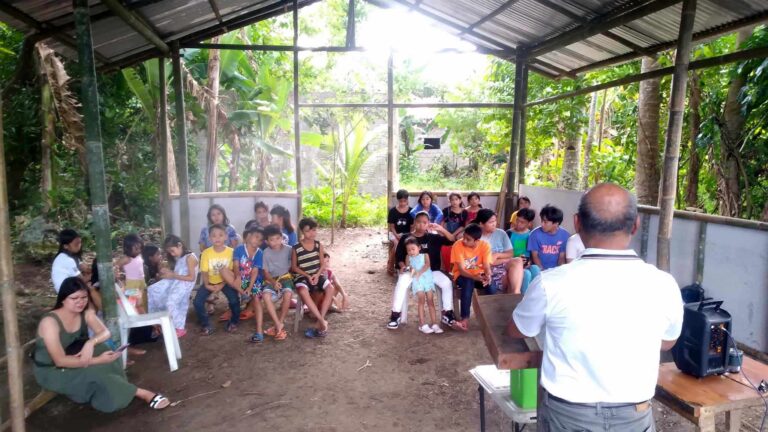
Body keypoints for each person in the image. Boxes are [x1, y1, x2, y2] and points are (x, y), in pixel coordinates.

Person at [508, 183, 683, 431]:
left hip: (567, 416)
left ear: (577, 224)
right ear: (636, 225)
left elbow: (518, 329)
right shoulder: (664, 284)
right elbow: (666, 342)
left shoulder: (550, 283)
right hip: (634, 415)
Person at [32, 277, 170, 412]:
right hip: (52, 369)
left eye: (84, 297)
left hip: (74, 354)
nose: (80, 302)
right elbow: (60, 361)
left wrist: (91, 343)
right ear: (63, 298)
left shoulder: (85, 313)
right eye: (74, 298)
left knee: (103, 348)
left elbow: (105, 332)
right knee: (96, 369)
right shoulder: (50, 322)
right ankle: (141, 393)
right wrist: (97, 360)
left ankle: (117, 389)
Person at [387, 212, 458, 330]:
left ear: (428, 224)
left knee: (446, 282)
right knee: (401, 283)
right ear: (414, 223)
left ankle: (447, 313)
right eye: (418, 222)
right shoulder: (406, 237)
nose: (421, 225)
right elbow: (399, 256)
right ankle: (395, 315)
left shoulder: (433, 237)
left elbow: (452, 240)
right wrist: (403, 266)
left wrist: (441, 229)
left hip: (431, 271)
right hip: (412, 271)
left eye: (425, 222)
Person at [220, 227, 266, 343]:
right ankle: (243, 293)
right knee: (223, 270)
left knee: (256, 299)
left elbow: (255, 271)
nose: (257, 241)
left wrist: (250, 287)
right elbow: (235, 265)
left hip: (255, 281)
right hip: (241, 279)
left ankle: (259, 332)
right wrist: (238, 277)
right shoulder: (239, 249)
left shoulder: (260, 253)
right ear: (249, 236)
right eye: (256, 237)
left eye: (260, 240)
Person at [147, 235, 198, 338]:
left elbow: (191, 278)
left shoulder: (190, 257)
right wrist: (168, 273)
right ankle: (157, 321)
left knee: (171, 302)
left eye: (172, 250)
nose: (171, 254)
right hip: (177, 282)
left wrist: (172, 275)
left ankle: (179, 328)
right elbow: (178, 273)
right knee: (152, 290)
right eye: (169, 252)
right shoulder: (181, 257)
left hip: (184, 285)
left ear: (179, 245)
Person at [292, 218, 335, 338]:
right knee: (302, 291)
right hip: (302, 276)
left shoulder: (318, 245)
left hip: (317, 275)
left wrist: (316, 275)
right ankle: (322, 321)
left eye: (314, 230)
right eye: (308, 231)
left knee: (330, 288)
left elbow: (322, 264)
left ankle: (319, 321)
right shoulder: (296, 248)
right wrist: (307, 275)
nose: (312, 233)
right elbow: (294, 267)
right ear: (302, 232)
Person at [193, 224, 239, 335]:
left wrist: (222, 284)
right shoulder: (206, 253)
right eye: (214, 236)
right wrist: (207, 284)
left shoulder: (231, 252)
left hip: (226, 282)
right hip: (210, 282)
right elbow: (204, 271)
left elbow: (232, 272)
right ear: (209, 238)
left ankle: (233, 322)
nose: (217, 238)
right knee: (197, 302)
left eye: (220, 235)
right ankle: (206, 324)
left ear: (226, 237)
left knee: (235, 301)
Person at [451, 223, 492, 329]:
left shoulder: (485, 246)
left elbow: (487, 265)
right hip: (461, 275)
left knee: (491, 286)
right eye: (463, 237)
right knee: (468, 282)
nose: (464, 240)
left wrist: (488, 275)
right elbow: (461, 270)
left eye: (468, 239)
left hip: (478, 274)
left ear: (477, 241)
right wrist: (474, 277)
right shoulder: (457, 245)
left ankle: (491, 317)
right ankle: (464, 319)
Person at [475, 208, 524, 294]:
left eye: (495, 221)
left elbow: (510, 253)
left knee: (518, 260)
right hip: (487, 269)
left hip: (502, 265)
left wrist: (497, 255)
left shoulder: (501, 233)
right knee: (509, 278)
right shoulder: (476, 237)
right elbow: (484, 262)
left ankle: (516, 293)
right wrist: (505, 259)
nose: (494, 224)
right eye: (491, 222)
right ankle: (510, 299)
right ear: (481, 224)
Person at [261, 225, 296, 341]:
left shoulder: (289, 249)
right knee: (266, 296)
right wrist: (273, 282)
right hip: (271, 279)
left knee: (288, 294)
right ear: (267, 242)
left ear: (282, 238)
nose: (275, 242)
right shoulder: (265, 252)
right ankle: (278, 324)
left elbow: (294, 265)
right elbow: (265, 272)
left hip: (286, 278)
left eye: (277, 238)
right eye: (272, 239)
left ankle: (279, 323)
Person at [51, 229, 101, 309]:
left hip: (71, 285)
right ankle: (100, 311)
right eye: (76, 244)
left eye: (80, 242)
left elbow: (86, 269)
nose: (79, 245)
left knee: (94, 283)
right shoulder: (67, 260)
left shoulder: (73, 257)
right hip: (66, 291)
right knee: (92, 290)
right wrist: (97, 273)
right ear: (66, 246)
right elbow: (81, 280)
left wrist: (94, 269)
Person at [404, 237, 442, 335]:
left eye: (413, 249)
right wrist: (413, 271)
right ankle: (422, 324)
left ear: (419, 247)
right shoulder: (408, 258)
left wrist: (420, 272)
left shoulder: (425, 255)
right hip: (417, 280)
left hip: (427, 279)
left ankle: (434, 323)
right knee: (421, 300)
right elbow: (409, 268)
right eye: (408, 250)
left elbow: (427, 265)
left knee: (430, 301)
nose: (411, 252)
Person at [507, 208, 541, 294]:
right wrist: (518, 260)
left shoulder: (531, 235)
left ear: (529, 224)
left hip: (527, 263)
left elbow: (533, 254)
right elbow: (505, 253)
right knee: (526, 274)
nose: (518, 224)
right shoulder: (508, 234)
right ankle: (522, 299)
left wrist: (529, 262)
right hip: (513, 264)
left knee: (536, 269)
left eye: (522, 222)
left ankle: (535, 296)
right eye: (517, 220)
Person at [527, 205, 570, 270]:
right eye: (542, 221)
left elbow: (561, 257)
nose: (542, 224)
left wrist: (557, 272)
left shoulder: (565, 235)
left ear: (556, 223)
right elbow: (535, 257)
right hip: (539, 271)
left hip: (556, 272)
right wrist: (543, 272)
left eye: (545, 222)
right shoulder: (534, 234)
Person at [116, 234, 147, 312]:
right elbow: (115, 266)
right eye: (136, 249)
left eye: (140, 248)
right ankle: (137, 318)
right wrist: (118, 276)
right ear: (128, 249)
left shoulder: (138, 255)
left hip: (141, 281)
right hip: (132, 283)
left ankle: (144, 317)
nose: (139, 251)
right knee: (134, 304)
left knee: (142, 301)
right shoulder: (126, 258)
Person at [387, 189, 413, 275]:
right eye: (400, 201)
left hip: (407, 234)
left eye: (404, 201)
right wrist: (397, 235)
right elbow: (392, 227)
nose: (402, 203)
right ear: (398, 200)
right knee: (397, 245)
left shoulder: (411, 211)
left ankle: (406, 265)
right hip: (394, 233)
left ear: (407, 200)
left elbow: (412, 228)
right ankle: (390, 265)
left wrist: (406, 235)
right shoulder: (393, 211)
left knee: (409, 245)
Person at [441, 192, 468, 272]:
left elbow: (463, 226)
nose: (454, 201)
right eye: (452, 200)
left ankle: (460, 265)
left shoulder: (464, 212)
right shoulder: (446, 210)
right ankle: (445, 267)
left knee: (459, 239)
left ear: (460, 200)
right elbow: (442, 222)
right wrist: (443, 232)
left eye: (456, 199)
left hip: (459, 232)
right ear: (450, 201)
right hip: (447, 232)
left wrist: (454, 234)